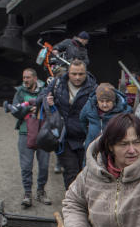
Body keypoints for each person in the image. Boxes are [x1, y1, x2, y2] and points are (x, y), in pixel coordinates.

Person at [38, 59, 97, 189]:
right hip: (65, 137)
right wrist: (47, 103)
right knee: (71, 171)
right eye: (74, 74)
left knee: (85, 173)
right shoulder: (57, 84)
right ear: (68, 73)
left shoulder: (93, 88)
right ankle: (71, 205)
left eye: (81, 74)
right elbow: (42, 96)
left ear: (86, 73)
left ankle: (83, 204)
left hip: (84, 138)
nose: (77, 77)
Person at [11, 68, 51, 207]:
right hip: (25, 132)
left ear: (35, 78)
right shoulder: (20, 92)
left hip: (43, 133)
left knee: (44, 165)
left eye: (28, 77)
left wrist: (39, 107)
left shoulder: (45, 90)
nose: (25, 80)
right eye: (24, 78)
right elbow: (15, 111)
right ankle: (27, 193)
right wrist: (29, 108)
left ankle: (40, 191)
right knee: (26, 166)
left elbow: (52, 108)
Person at [81, 83, 131, 150]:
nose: (104, 105)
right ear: (97, 100)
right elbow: (83, 121)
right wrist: (89, 134)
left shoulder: (124, 111)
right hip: (92, 146)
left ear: (114, 101)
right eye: (101, 101)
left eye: (108, 101)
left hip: (114, 148)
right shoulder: (89, 107)